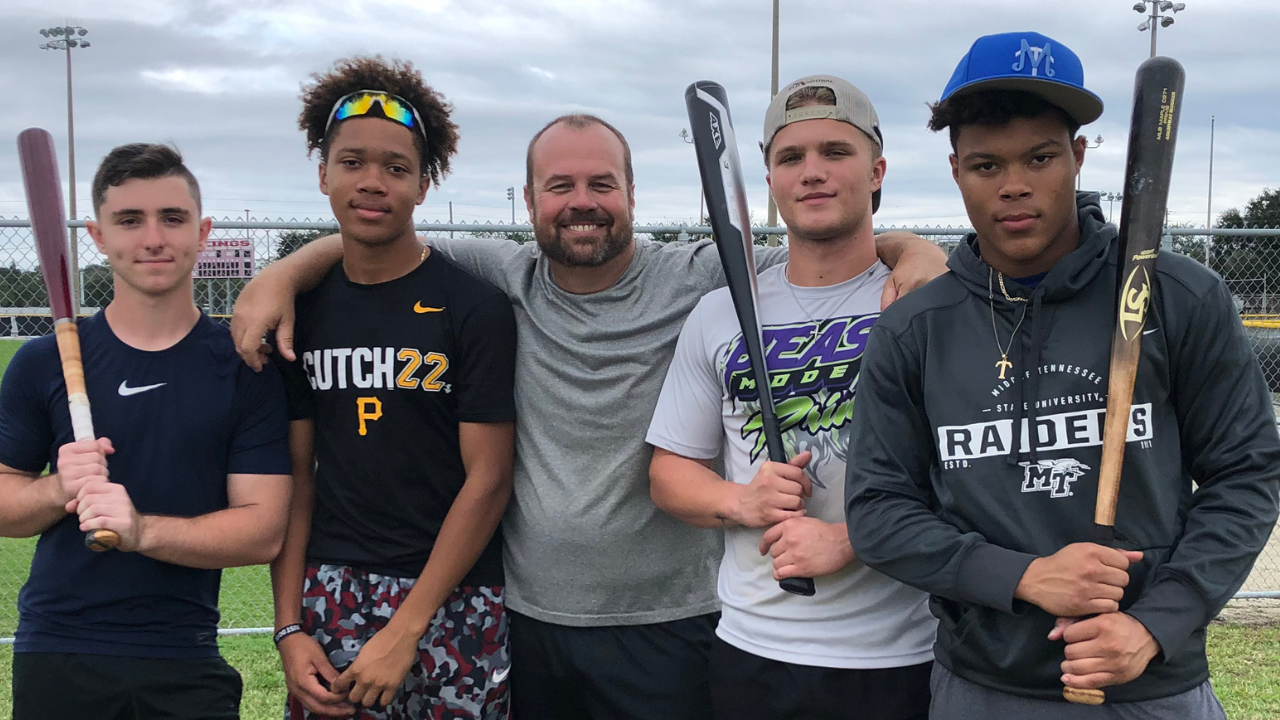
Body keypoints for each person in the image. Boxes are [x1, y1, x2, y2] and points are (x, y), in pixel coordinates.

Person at [232, 107, 949, 719]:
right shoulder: (500, 275)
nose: (582, 201)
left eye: (602, 183)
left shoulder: (702, 276)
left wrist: (914, 252)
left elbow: (823, 244)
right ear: (528, 198)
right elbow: (377, 234)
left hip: (672, 622)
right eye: (560, 186)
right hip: (531, 619)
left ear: (632, 193)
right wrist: (280, 273)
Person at [844, 31, 1280, 719]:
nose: (1015, 185)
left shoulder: (1179, 297)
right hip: (986, 684)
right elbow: (878, 511)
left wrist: (1156, 623)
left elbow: (1247, 474)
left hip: (1152, 682)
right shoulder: (914, 329)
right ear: (956, 170)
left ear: (1078, 156)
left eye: (1040, 157)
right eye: (986, 165)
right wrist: (1024, 576)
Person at [647, 75, 936, 720]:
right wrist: (740, 501)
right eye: (790, 158)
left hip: (901, 653)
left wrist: (855, 538)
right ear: (770, 182)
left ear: (877, 170)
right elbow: (669, 474)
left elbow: (971, 474)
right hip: (754, 651)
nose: (812, 172)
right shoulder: (720, 314)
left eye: (836, 152)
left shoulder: (926, 303)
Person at [0, 143, 293, 720]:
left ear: (203, 232)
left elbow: (263, 531)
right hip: (59, 649)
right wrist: (56, 489)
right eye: (130, 220)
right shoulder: (42, 362)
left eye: (173, 218)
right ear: (97, 235)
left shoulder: (245, 367)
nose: (153, 238)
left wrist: (141, 531)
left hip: (183, 654)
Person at [266, 57, 517, 720]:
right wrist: (289, 627)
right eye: (352, 162)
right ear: (323, 173)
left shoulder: (473, 308)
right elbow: (298, 474)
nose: (372, 183)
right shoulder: (302, 309)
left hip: (454, 593)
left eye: (396, 167)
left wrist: (407, 629)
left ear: (424, 185)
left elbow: (488, 479)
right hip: (334, 589)